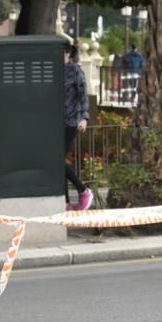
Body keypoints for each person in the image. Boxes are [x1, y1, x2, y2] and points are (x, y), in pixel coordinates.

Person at [63, 43, 93, 211]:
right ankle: (66, 203)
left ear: (67, 53)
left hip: (72, 121)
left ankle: (83, 190)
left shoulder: (75, 70)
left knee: (56, 160)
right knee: (57, 161)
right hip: (55, 122)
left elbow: (83, 95)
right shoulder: (53, 70)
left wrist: (84, 117)